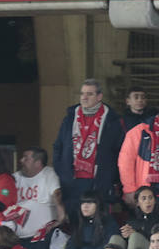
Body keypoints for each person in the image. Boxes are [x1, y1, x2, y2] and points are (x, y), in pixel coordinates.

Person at [51, 79, 123, 214]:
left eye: (89, 94)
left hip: (99, 182)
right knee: (74, 224)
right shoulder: (70, 118)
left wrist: (111, 177)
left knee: (98, 224)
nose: (84, 97)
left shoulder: (112, 120)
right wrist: (62, 172)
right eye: (82, 93)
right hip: (72, 181)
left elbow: (119, 152)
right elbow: (58, 146)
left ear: (99, 96)